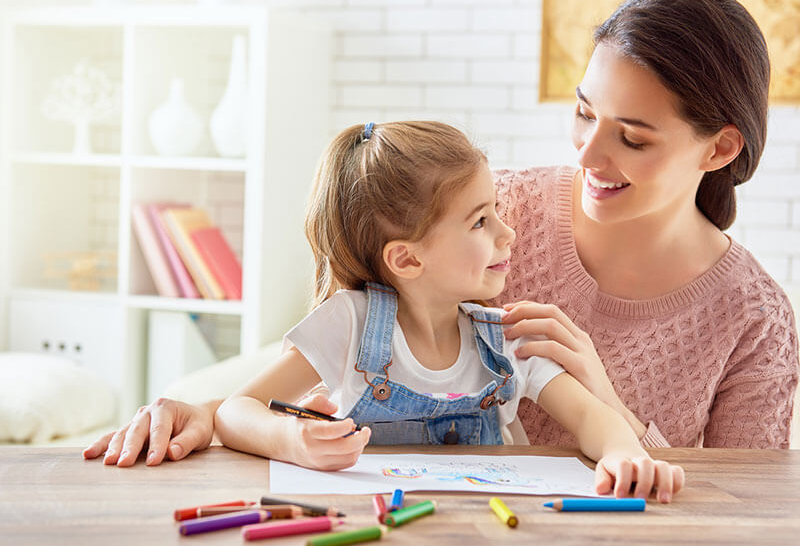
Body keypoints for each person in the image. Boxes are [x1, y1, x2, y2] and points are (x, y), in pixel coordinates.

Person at [83, 0, 797, 467]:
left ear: (721, 146)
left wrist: (612, 412)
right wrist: (207, 411)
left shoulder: (754, 318)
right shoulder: (496, 208)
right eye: (583, 112)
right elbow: (345, 343)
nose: (587, 152)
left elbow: (749, 504)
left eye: (632, 137)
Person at [213, 120, 684, 500]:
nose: (508, 233)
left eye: (496, 210)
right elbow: (236, 411)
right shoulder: (349, 322)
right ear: (408, 259)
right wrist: (292, 441)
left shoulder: (507, 337)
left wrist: (624, 453)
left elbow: (588, 418)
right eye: (480, 221)